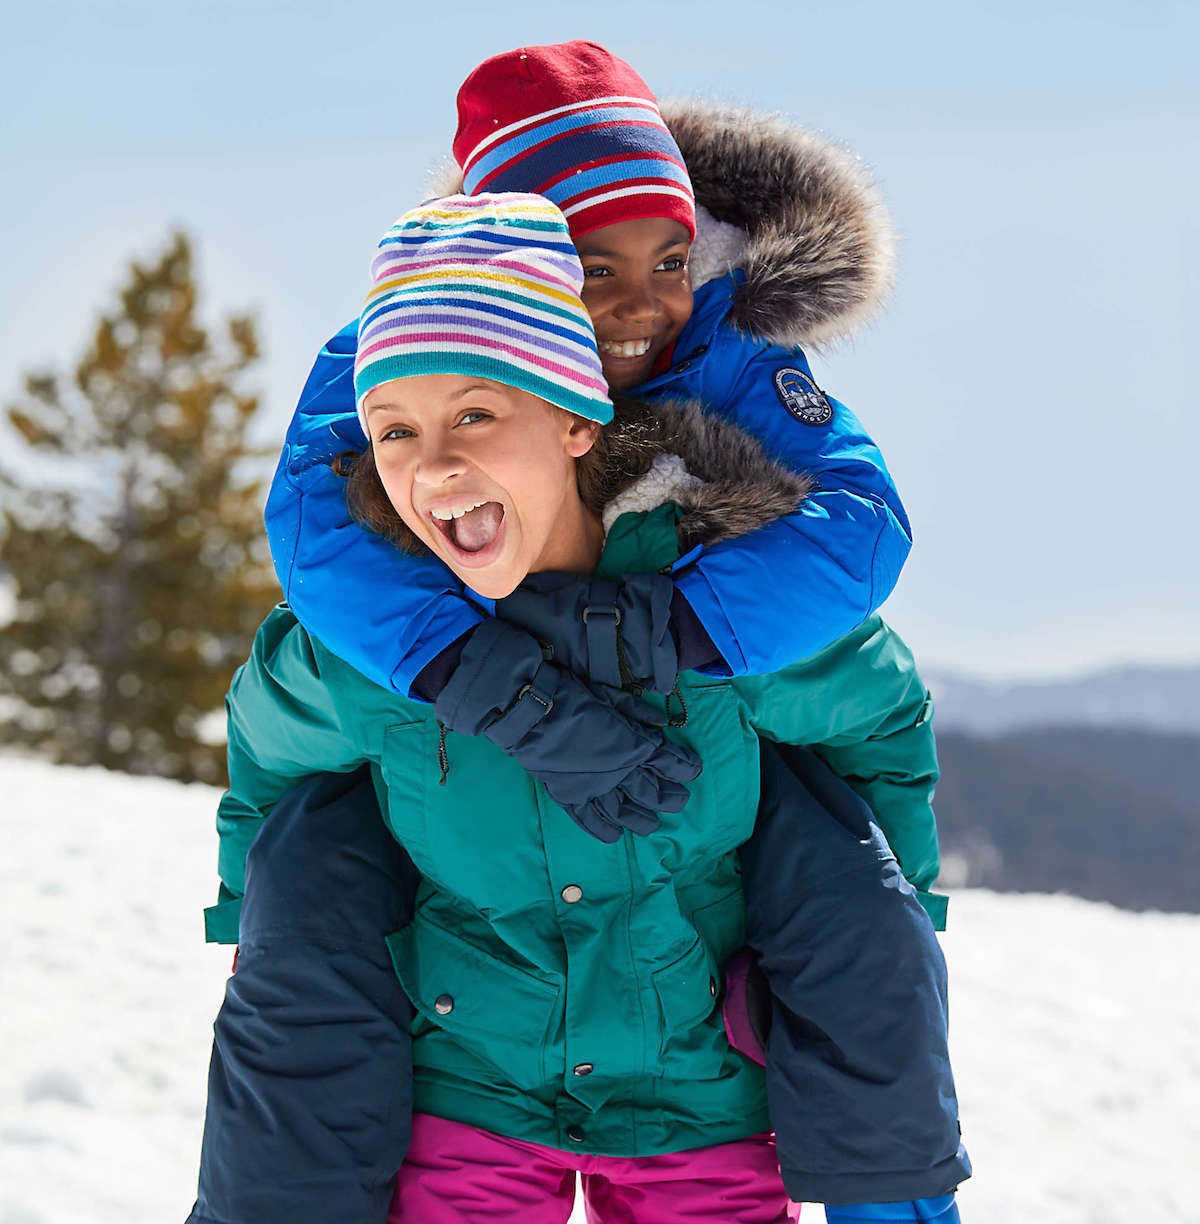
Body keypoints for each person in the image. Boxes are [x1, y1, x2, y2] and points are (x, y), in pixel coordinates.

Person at [189, 195, 967, 1224]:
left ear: (573, 417)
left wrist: (893, 917)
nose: (434, 464)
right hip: (467, 1087)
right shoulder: (372, 651)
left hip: (696, 1092)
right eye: (395, 430)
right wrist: (255, 917)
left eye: (476, 413)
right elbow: (275, 760)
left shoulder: (730, 609)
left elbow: (876, 723)